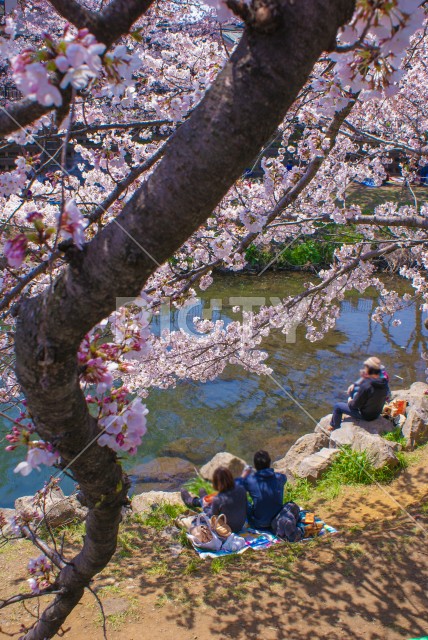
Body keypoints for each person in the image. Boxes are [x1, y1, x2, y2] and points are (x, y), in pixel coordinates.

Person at [180, 466, 247, 533]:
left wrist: (205, 506)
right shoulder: (241, 489)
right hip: (240, 526)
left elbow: (211, 516)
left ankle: (191, 501)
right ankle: (200, 498)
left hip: (226, 529)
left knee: (205, 503)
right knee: (213, 502)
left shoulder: (219, 499)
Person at [330, 356, 389, 430]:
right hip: (377, 413)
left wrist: (350, 402)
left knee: (337, 407)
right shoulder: (384, 382)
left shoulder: (367, 386)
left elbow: (354, 405)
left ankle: (335, 427)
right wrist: (354, 385)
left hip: (366, 416)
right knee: (353, 390)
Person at [235, 450, 286, 529]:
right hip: (277, 520)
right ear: (269, 463)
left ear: (255, 465)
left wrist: (244, 474)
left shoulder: (250, 480)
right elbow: (284, 477)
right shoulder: (279, 477)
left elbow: (235, 487)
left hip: (259, 524)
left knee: (242, 498)